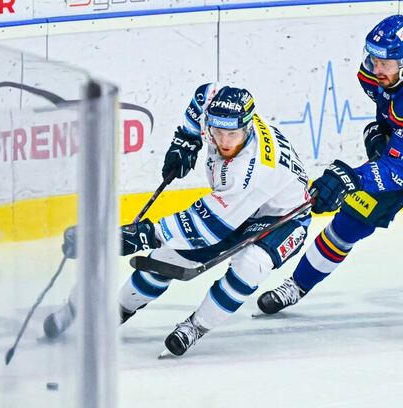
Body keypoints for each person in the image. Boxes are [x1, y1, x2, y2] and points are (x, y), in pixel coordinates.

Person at [256, 14, 403, 338]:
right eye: (374, 57)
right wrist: (380, 131)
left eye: (386, 62)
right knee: (353, 217)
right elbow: (392, 121)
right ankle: (297, 285)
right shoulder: (375, 74)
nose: (376, 67)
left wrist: (347, 177)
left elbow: (395, 173)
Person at [43, 83, 311, 356]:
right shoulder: (218, 108)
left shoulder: (249, 172)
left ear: (248, 126)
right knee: (167, 258)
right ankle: (118, 311)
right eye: (217, 132)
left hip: (284, 217)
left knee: (251, 265)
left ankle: (196, 327)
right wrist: (187, 138)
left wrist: (141, 235)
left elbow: (207, 226)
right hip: (237, 206)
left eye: (233, 134)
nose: (225, 142)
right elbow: (203, 95)